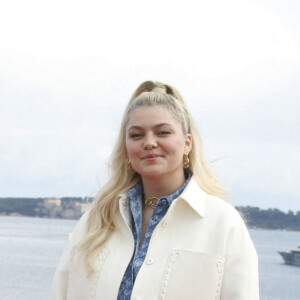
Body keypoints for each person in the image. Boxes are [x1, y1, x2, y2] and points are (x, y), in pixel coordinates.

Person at [50, 81, 259, 300]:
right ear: (126, 147)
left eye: (163, 132)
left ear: (187, 143)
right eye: (136, 135)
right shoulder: (94, 222)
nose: (149, 143)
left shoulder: (223, 224)